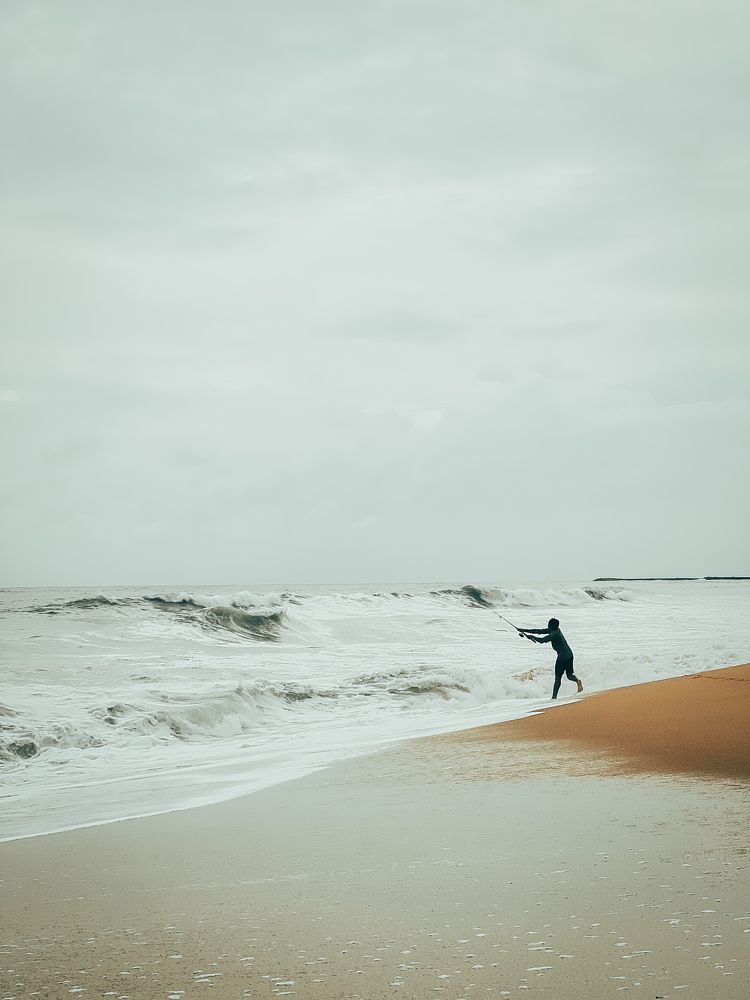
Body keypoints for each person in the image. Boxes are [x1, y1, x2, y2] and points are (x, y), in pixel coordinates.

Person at [518, 618, 583, 700]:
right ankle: (578, 681)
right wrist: (523, 630)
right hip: (569, 655)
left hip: (562, 658)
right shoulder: (556, 630)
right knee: (569, 676)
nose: (547, 627)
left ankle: (554, 697)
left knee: (558, 677)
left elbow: (542, 640)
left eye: (548, 625)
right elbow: (539, 631)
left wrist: (531, 637)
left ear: (551, 626)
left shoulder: (554, 634)